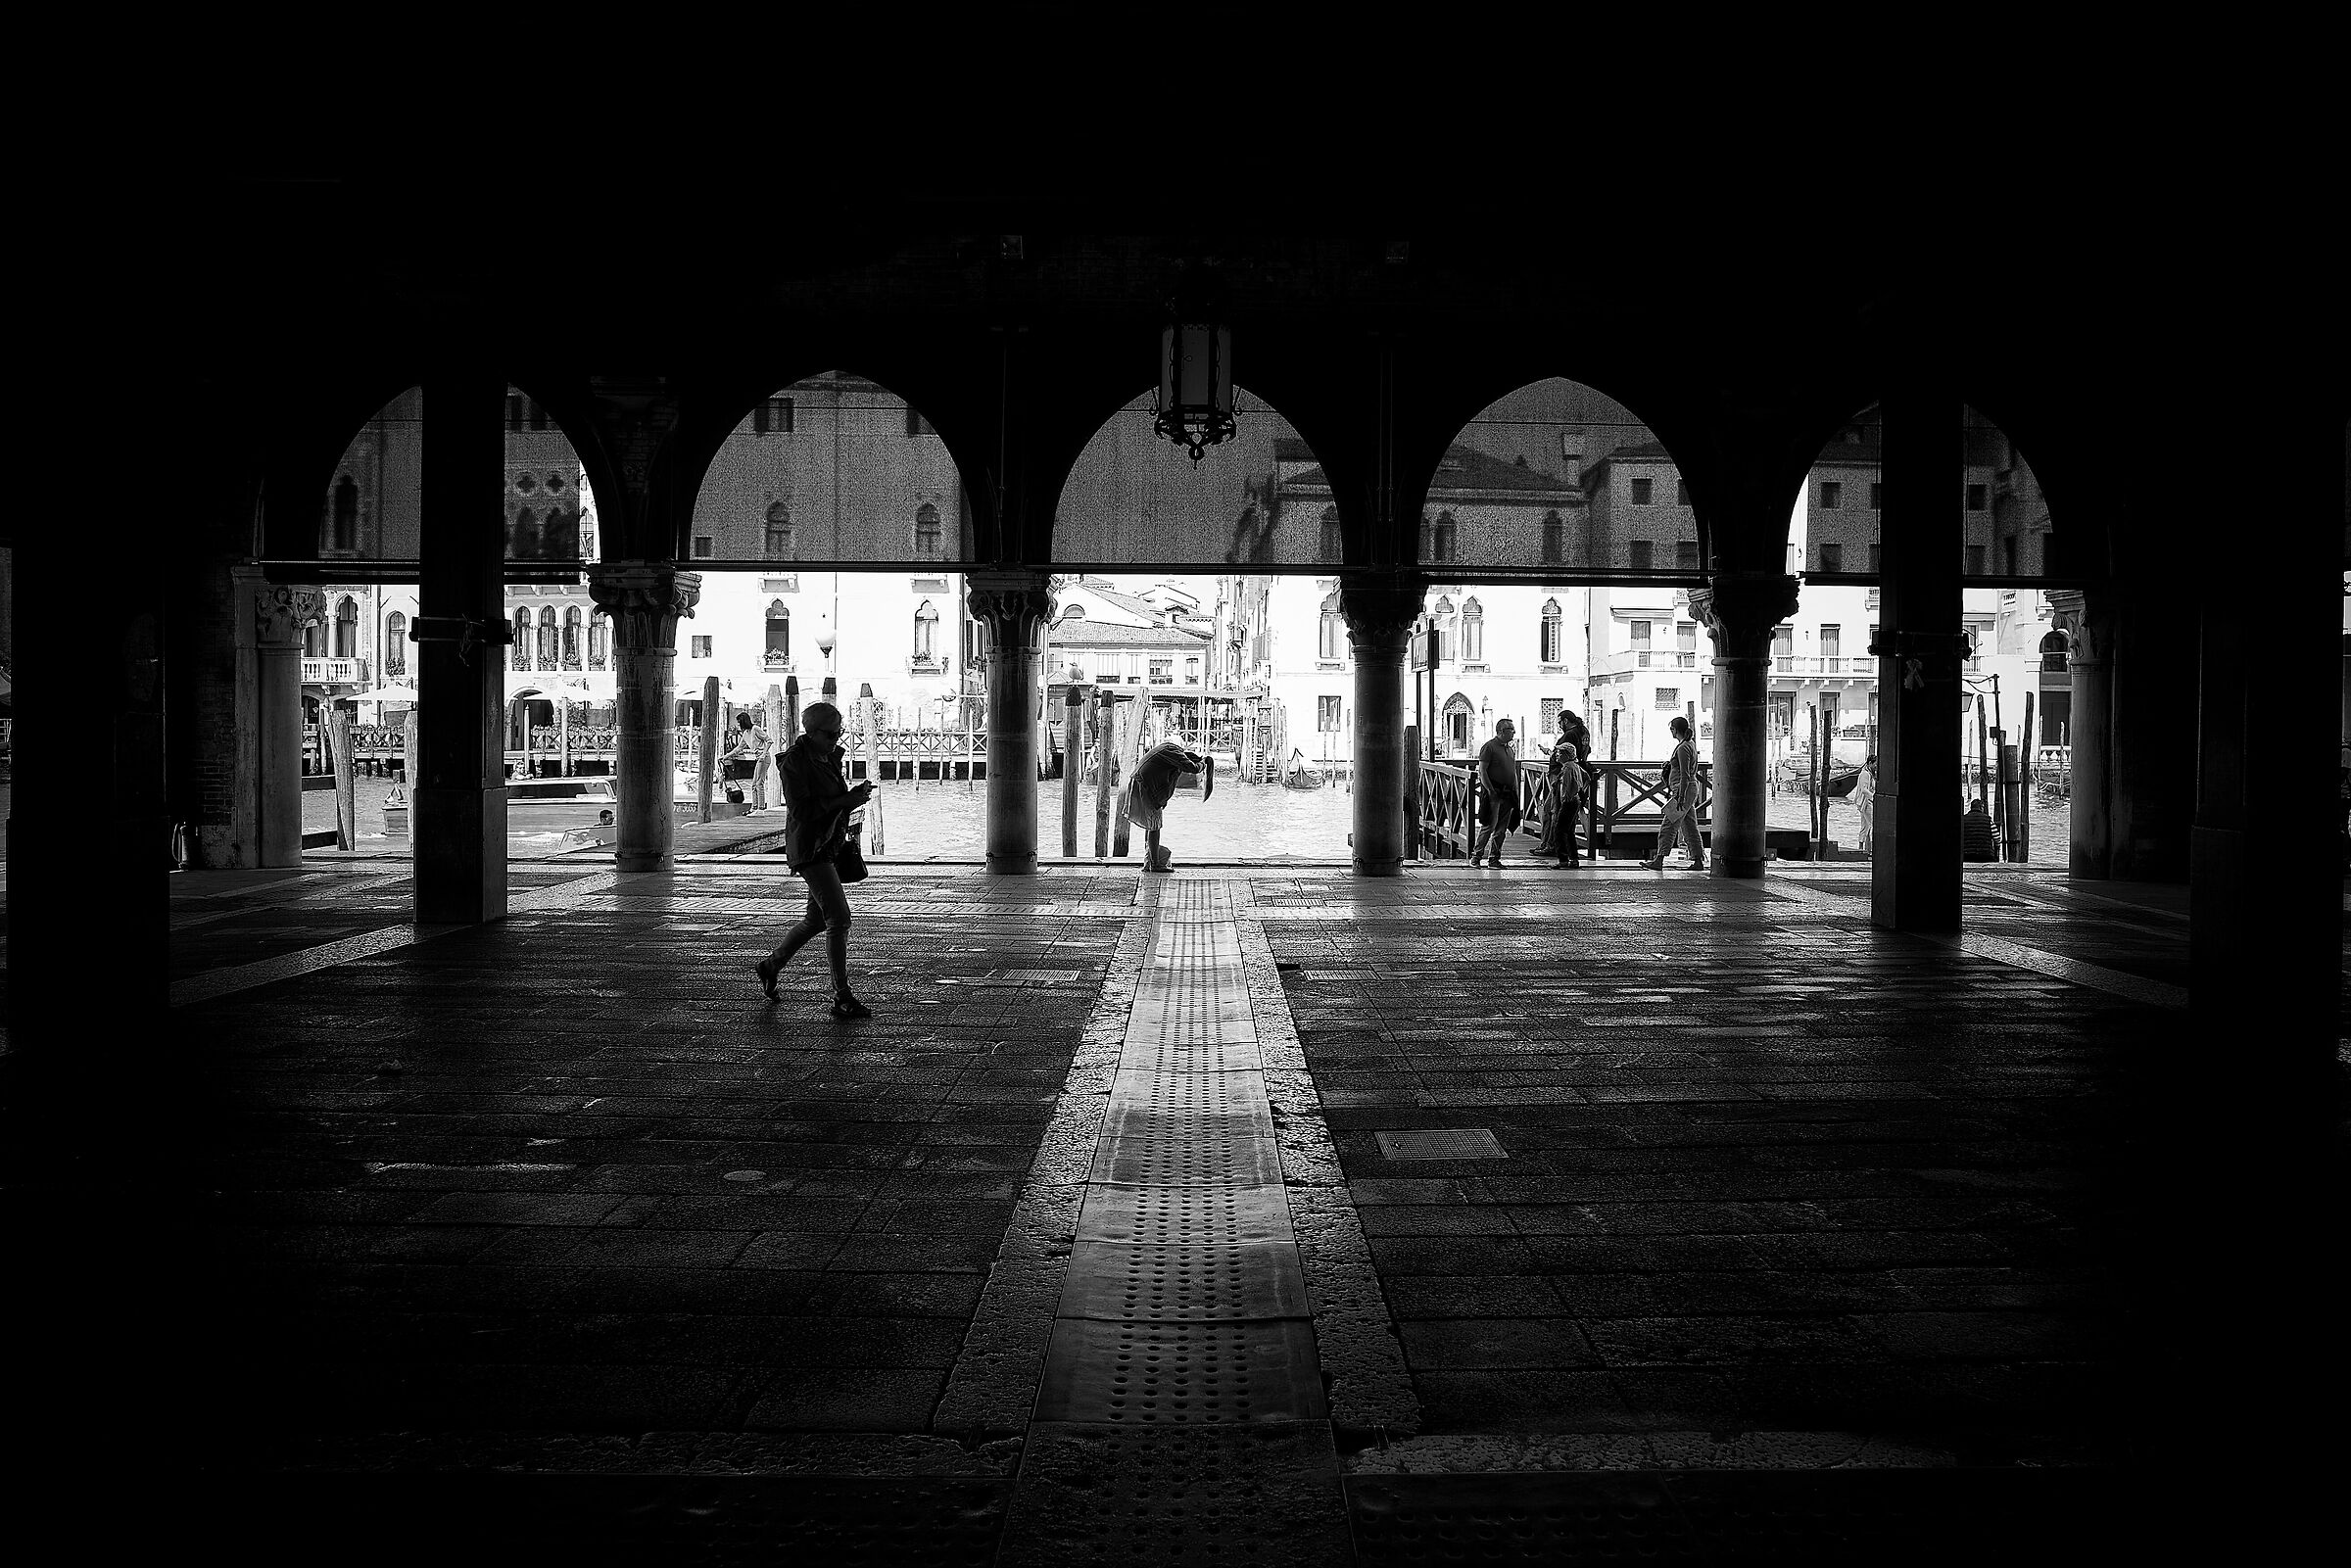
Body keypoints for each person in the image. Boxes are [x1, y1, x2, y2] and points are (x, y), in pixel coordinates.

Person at [756, 701, 875, 1018]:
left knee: (817, 920)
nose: (837, 741)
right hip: (810, 848)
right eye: (832, 735)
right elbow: (802, 810)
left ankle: (771, 965)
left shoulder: (828, 757)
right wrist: (846, 799)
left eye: (839, 734)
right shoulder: (795, 763)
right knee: (839, 918)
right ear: (812, 731)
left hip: (829, 846)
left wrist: (853, 798)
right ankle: (842, 995)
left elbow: (833, 803)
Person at [1123, 736, 1212, 871]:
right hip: (1145, 785)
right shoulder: (1174, 752)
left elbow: (1165, 780)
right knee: (1154, 826)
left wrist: (1162, 799)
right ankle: (1155, 864)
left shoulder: (1169, 751)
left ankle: (1150, 861)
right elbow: (1192, 768)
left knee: (1151, 824)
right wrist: (1203, 764)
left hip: (1141, 783)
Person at [1641, 714, 1705, 871]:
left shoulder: (1683, 747)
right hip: (1688, 788)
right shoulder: (1689, 744)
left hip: (1683, 789)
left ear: (1676, 730)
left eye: (1672, 729)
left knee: (1668, 825)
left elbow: (1684, 774)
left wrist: (1680, 796)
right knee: (1690, 826)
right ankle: (1698, 860)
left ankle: (1659, 859)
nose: (1671, 732)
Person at [1469, 718, 1521, 867]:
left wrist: (1516, 790)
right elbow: (1482, 771)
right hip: (1494, 792)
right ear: (1501, 731)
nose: (1514, 732)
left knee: (1501, 828)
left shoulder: (1510, 749)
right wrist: (1490, 790)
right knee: (1489, 826)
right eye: (1511, 729)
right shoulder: (1489, 747)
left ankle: (1494, 858)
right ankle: (1476, 856)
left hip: (1508, 792)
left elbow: (1513, 772)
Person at [1542, 734, 1587, 867]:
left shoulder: (1568, 768)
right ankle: (1574, 859)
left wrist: (1566, 797)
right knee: (1570, 832)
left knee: (1559, 830)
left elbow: (1566, 788)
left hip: (1568, 802)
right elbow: (1587, 778)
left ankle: (1563, 860)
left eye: (1560, 753)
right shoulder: (1575, 765)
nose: (1557, 755)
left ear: (1567, 755)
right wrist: (1579, 789)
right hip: (1575, 801)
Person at [721, 711, 766, 804]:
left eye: (739, 723)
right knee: (754, 785)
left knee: (759, 784)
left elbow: (769, 740)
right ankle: (755, 807)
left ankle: (760, 808)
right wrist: (726, 756)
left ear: (743, 722)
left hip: (764, 758)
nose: (738, 725)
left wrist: (763, 753)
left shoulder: (755, 729)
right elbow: (739, 748)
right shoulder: (746, 733)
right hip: (758, 758)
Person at [1851, 752, 1878, 855]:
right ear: (1870, 763)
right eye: (1875, 764)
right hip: (1866, 803)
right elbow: (1864, 790)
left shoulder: (1870, 773)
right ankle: (1870, 849)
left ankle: (1863, 849)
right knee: (1873, 824)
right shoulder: (1865, 774)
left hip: (1867, 802)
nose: (1876, 766)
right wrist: (1874, 798)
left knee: (1866, 825)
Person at [1962, 797, 1998, 862]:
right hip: (1986, 855)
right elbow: (1997, 838)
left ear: (1971, 807)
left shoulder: (1963, 819)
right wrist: (1996, 850)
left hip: (1967, 855)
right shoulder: (1988, 820)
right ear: (1981, 807)